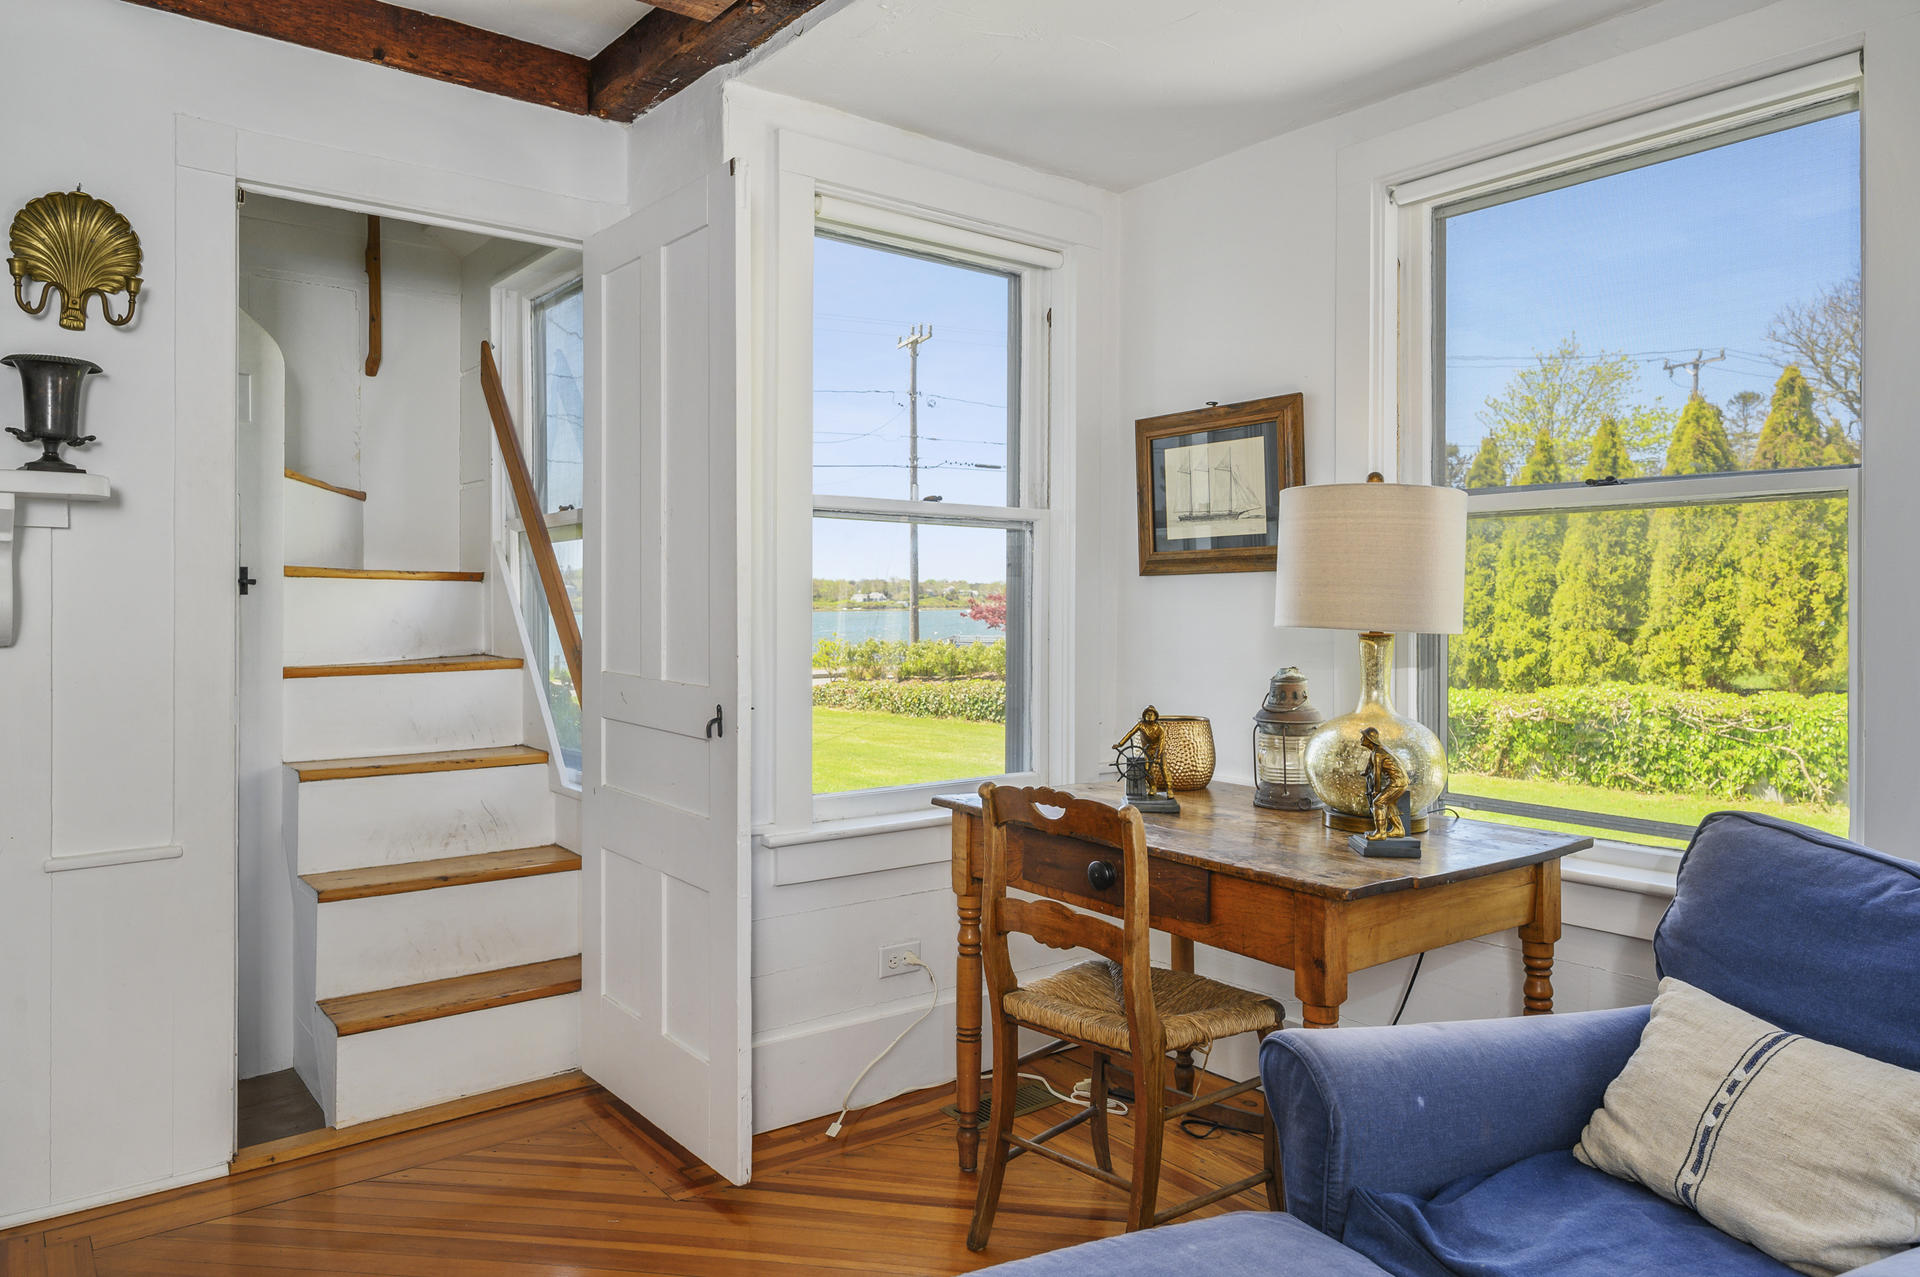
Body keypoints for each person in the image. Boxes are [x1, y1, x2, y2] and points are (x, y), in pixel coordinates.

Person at [1359, 726, 1410, 839]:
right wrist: (1365, 772)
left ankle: (1380, 833)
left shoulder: (1378, 753)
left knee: (1378, 803)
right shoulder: (1376, 751)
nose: (1361, 739)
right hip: (1400, 781)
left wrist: (1376, 791)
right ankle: (1398, 829)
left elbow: (1377, 774)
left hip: (1398, 783)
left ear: (1370, 739)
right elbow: (1370, 764)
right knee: (1388, 803)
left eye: (1363, 737)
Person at [1114, 706, 1171, 797]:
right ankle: (1153, 786)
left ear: (1155, 716)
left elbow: (1161, 744)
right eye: (1147, 714)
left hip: (1159, 750)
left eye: (1152, 714)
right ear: (1144, 716)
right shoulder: (1141, 725)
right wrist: (1120, 744)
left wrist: (1157, 756)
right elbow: (1130, 733)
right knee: (1147, 769)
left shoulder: (1160, 728)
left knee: (1164, 769)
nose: (1149, 716)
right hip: (1147, 750)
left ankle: (1169, 789)